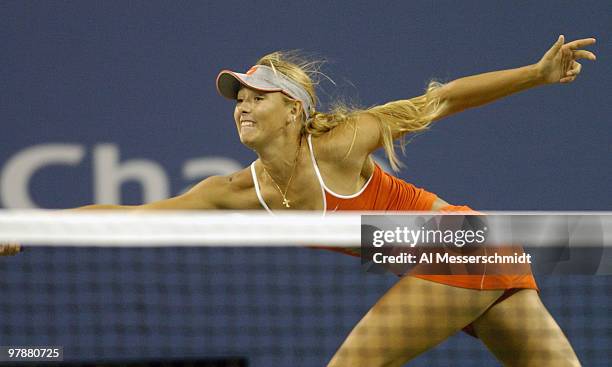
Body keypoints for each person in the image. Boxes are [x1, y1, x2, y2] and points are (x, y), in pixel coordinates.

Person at [1, 35, 596, 366]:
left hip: (463, 247)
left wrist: (535, 74)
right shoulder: (237, 192)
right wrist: (32, 224)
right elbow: (131, 218)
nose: (242, 104)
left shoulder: (340, 143)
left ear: (294, 109)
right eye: (238, 97)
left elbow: (437, 102)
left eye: (258, 95)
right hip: (473, 258)